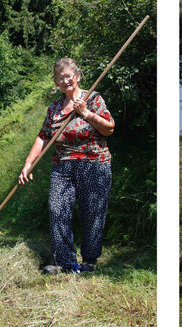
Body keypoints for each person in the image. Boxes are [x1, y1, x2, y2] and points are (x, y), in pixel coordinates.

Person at [18, 57, 115, 274]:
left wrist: (87, 114)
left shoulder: (93, 99)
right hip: (62, 165)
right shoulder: (54, 107)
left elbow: (109, 128)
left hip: (94, 163)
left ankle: (90, 260)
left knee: (92, 211)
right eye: (60, 78)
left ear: (78, 76)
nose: (65, 81)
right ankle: (64, 262)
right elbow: (43, 137)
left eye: (68, 76)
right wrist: (28, 163)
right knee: (57, 209)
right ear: (56, 83)